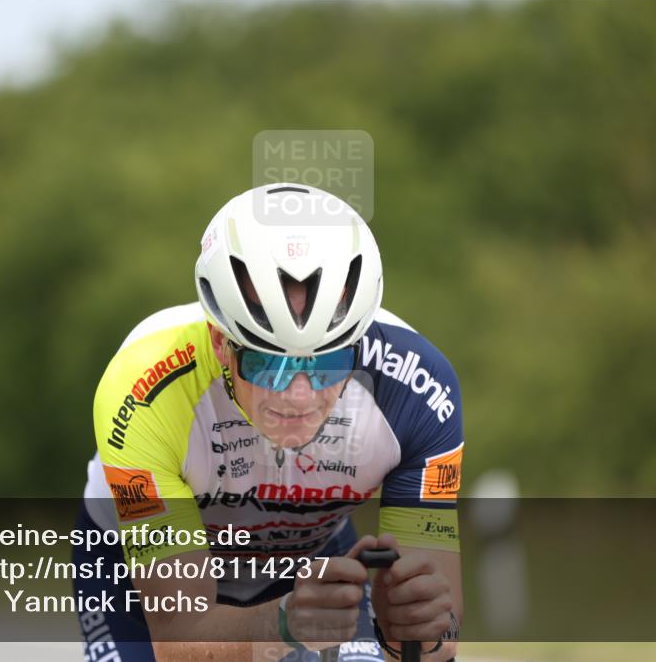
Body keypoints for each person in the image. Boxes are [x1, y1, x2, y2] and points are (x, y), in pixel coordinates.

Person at [76, 183, 463, 662]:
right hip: (138, 580)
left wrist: (409, 630)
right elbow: (180, 638)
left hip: (310, 555)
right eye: (268, 365)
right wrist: (281, 624)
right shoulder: (143, 389)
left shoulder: (419, 389)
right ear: (220, 343)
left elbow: (440, 640)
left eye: (329, 361)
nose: (299, 396)